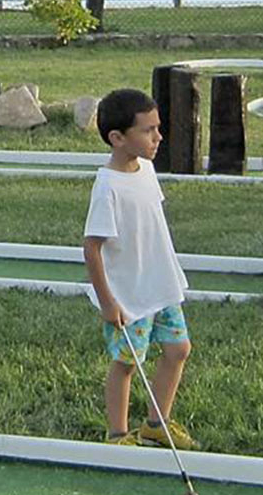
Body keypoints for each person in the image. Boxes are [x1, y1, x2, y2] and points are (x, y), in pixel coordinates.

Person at [82, 88, 198, 450]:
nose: (158, 137)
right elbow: (92, 248)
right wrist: (107, 302)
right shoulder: (107, 187)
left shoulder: (146, 170)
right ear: (117, 138)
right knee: (127, 362)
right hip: (129, 294)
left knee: (178, 349)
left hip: (160, 284)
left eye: (157, 128)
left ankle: (155, 424)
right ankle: (117, 434)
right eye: (148, 130)